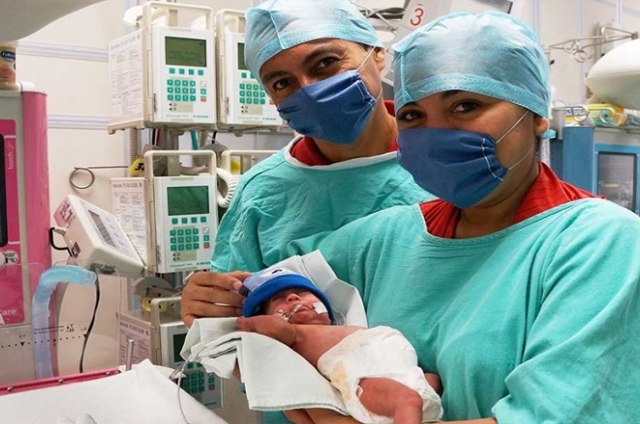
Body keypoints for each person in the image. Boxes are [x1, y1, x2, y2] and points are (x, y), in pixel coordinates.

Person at [278, 11, 640, 424]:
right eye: (413, 116)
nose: (437, 133)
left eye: (466, 106)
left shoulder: (601, 243)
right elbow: (259, 307)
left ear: (537, 114)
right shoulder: (386, 237)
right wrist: (228, 303)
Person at [181, 0, 434, 326]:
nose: (310, 90)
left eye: (325, 62)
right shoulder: (262, 194)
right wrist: (207, 305)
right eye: (282, 82)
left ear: (377, 53)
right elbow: (236, 324)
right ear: (271, 97)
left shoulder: (449, 162)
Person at [236, 268, 443, 424]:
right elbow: (275, 330)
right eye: (278, 298)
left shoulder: (338, 329)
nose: (293, 297)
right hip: (366, 379)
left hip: (404, 370)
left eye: (301, 292)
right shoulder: (294, 335)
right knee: (407, 400)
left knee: (431, 380)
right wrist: (248, 323)